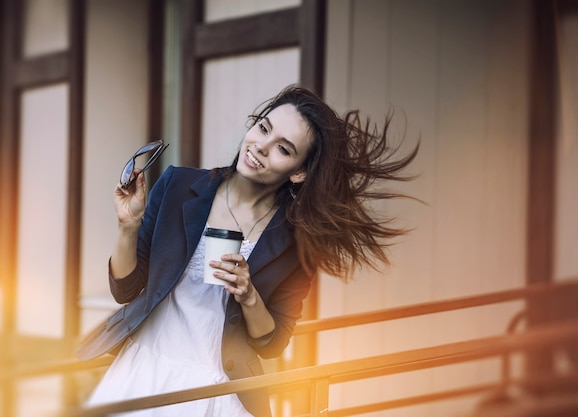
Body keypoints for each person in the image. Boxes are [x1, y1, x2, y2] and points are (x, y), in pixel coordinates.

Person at [76, 85, 418, 416]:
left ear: (299, 172)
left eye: (283, 149)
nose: (261, 147)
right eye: (263, 128)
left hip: (221, 389)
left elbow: (272, 342)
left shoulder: (296, 242)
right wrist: (128, 225)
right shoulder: (177, 185)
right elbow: (125, 288)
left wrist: (249, 294)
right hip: (145, 372)